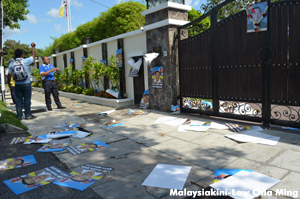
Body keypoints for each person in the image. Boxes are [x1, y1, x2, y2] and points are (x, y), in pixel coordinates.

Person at [7, 43, 37, 120]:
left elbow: (9, 74)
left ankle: (19, 115)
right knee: (27, 100)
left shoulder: (12, 64)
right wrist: (33, 47)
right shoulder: (26, 61)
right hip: (26, 83)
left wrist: (9, 83)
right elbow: (33, 56)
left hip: (17, 84)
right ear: (22, 55)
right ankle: (27, 115)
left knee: (19, 100)